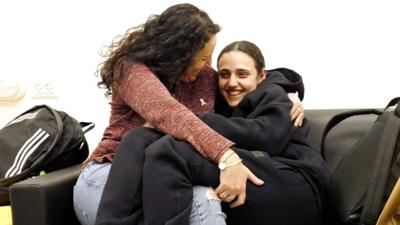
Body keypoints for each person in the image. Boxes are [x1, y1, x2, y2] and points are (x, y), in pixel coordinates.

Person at [73, 3, 304, 225]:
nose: (208, 64)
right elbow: (170, 114)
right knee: (195, 202)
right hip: (111, 173)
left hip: (165, 172)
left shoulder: (202, 77)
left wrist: (282, 91)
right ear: (180, 53)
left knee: (204, 198)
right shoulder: (132, 70)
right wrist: (228, 158)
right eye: (204, 57)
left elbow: (245, 77)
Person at [136, 41, 330, 225]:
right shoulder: (219, 100)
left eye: (242, 74)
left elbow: (268, 137)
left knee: (171, 152)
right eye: (224, 74)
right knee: (150, 142)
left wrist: (197, 122)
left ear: (261, 76)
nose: (232, 82)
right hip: (263, 175)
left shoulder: (272, 93)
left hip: (296, 183)